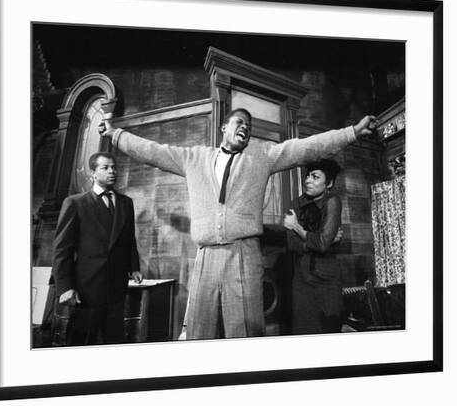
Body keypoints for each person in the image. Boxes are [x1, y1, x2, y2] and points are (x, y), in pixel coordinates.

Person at [99, 108, 376, 340]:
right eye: (240, 122)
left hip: (243, 255)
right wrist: (116, 134)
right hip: (206, 257)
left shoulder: (261, 157)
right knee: (198, 333)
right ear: (224, 127)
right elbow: (151, 151)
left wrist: (351, 133)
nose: (246, 127)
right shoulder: (193, 158)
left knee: (245, 335)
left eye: (249, 125)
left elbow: (306, 148)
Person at [53, 152, 143, 346]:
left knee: (113, 340)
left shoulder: (126, 203)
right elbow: (62, 249)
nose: (112, 171)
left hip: (116, 286)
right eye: (105, 168)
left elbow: (129, 239)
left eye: (114, 167)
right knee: (81, 341)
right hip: (86, 288)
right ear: (93, 173)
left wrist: (134, 266)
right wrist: (65, 287)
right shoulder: (76, 203)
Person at [283, 159, 344, 335]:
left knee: (329, 331)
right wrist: (322, 240)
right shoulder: (296, 204)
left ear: (329, 183)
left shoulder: (332, 201)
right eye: (308, 176)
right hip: (302, 279)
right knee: (303, 331)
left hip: (328, 279)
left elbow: (323, 245)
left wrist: (297, 228)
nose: (308, 180)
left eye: (315, 177)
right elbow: (292, 245)